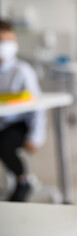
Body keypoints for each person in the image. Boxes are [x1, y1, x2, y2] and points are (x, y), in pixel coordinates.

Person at [0, 20, 46, 201]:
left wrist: (35, 137)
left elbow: (37, 107)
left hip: (18, 124)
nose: (4, 44)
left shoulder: (22, 70)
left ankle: (23, 180)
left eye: (8, 39)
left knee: (4, 144)